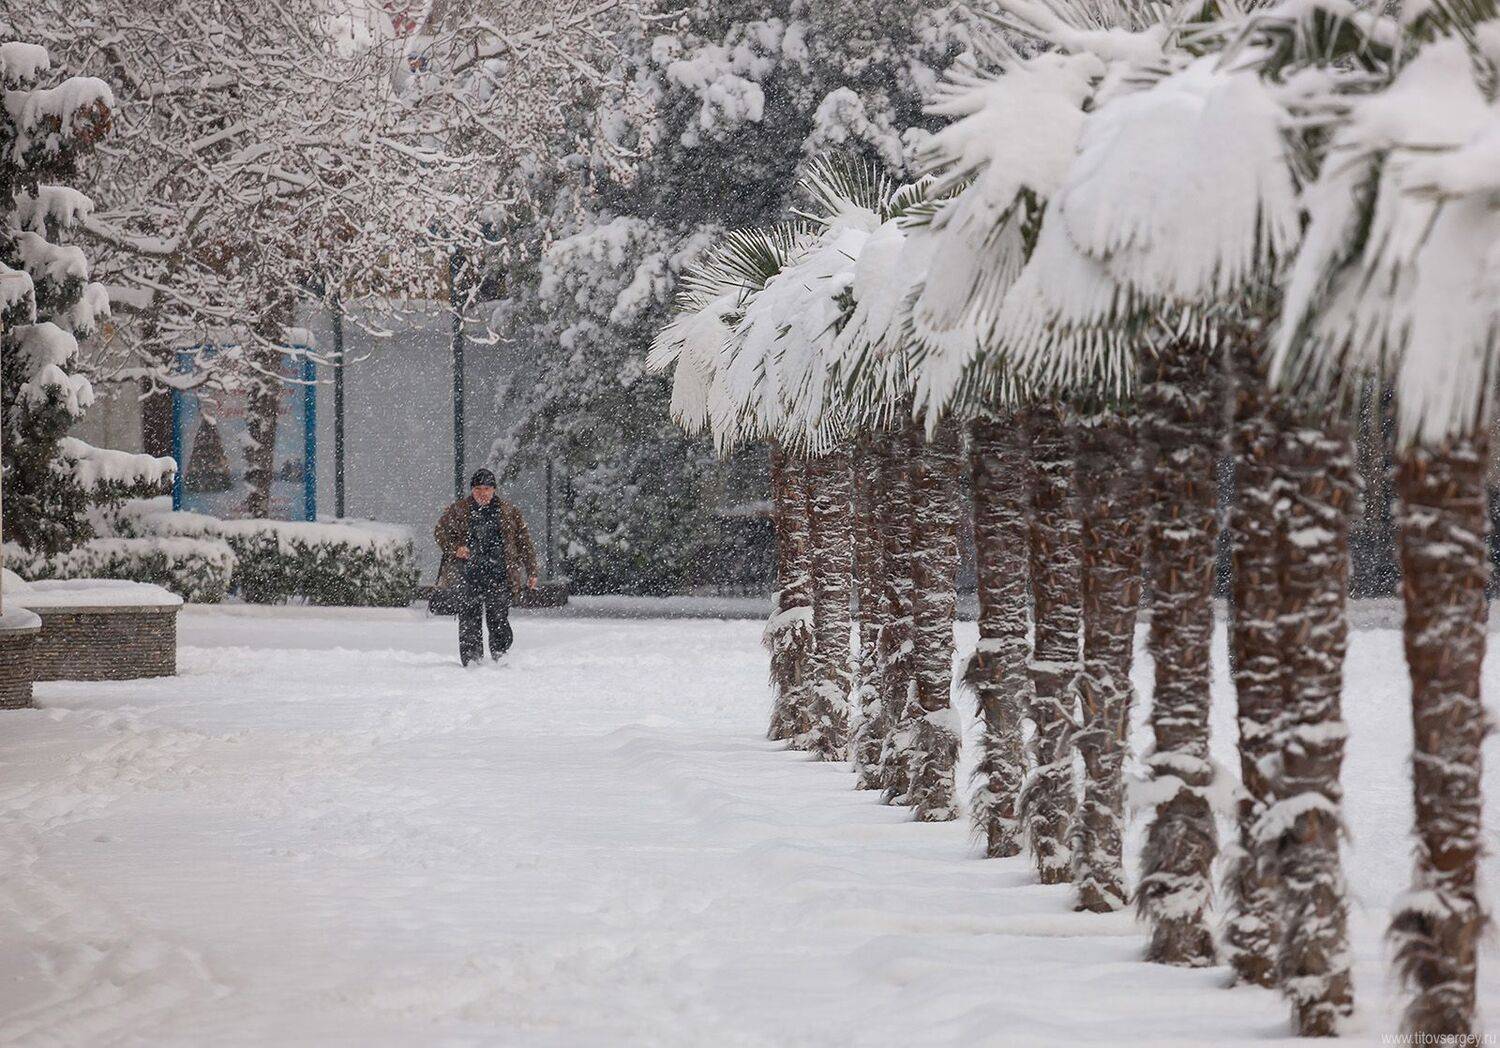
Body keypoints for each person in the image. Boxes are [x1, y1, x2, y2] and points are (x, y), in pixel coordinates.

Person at [434, 468, 539, 665]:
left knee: (499, 617)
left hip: (499, 574)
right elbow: (440, 532)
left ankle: (501, 656)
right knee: (469, 619)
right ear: (472, 490)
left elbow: (524, 542)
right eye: (478, 489)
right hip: (467, 574)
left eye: (487, 488)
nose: (483, 493)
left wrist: (532, 571)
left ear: (494, 490)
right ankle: (472, 660)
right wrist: (455, 549)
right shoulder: (459, 510)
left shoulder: (509, 512)